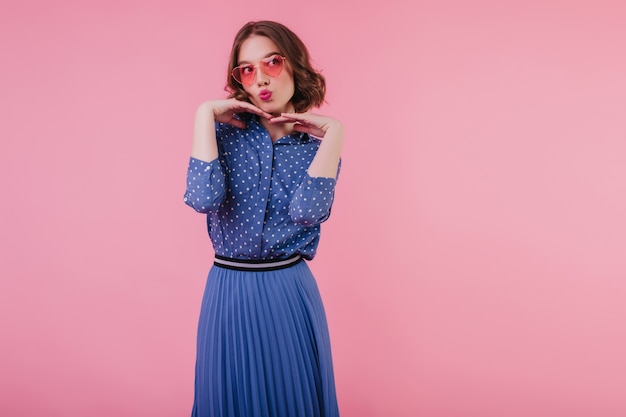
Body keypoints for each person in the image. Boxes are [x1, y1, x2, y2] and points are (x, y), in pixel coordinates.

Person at [183, 20, 343, 417]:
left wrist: (336, 133)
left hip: (288, 293)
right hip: (228, 292)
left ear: (295, 66)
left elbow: (308, 213)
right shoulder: (224, 136)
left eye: (272, 62)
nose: (260, 79)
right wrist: (204, 115)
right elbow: (202, 199)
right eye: (247, 69)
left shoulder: (315, 145)